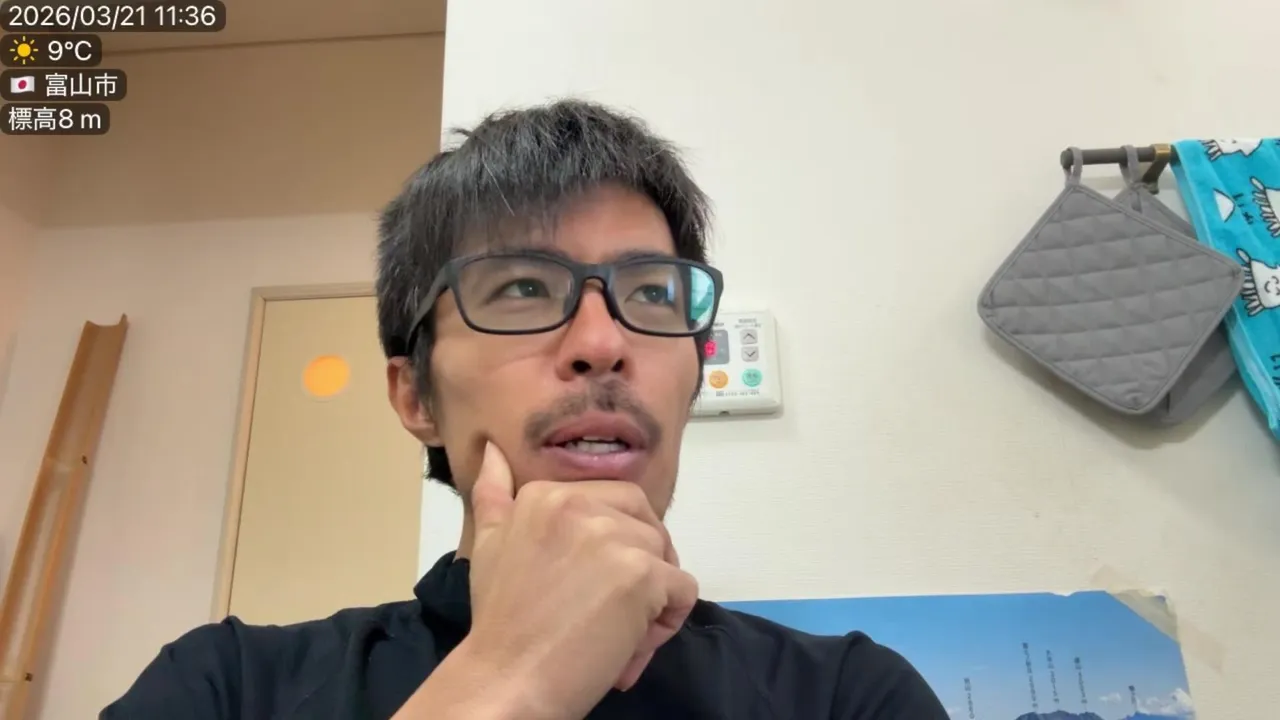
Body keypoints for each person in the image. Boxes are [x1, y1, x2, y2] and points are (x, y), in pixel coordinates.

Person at [102, 100, 948, 719]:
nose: (602, 342)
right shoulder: (226, 688)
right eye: (522, 289)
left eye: (651, 293)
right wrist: (511, 679)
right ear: (415, 396)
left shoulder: (847, 697)